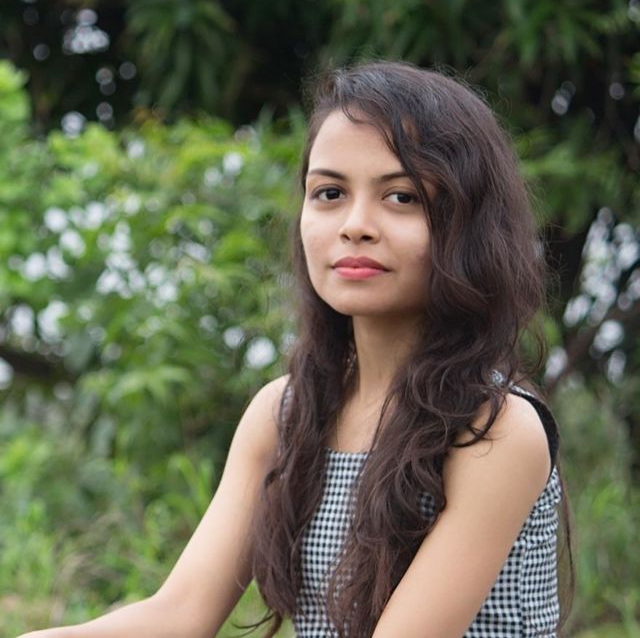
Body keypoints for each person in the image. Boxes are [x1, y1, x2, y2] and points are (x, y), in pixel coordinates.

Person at [18, 60, 573, 638]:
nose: (355, 225)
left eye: (402, 196)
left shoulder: (494, 430)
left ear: (468, 225)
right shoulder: (284, 414)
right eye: (329, 193)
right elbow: (179, 615)